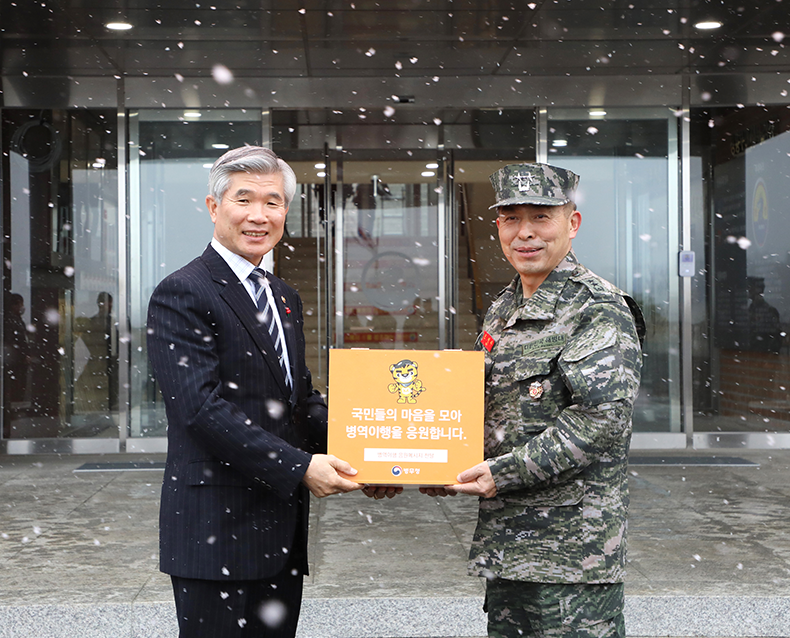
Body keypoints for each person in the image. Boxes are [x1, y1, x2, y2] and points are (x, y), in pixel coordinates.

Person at [147, 146, 362, 638]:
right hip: (217, 531)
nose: (259, 216)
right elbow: (200, 409)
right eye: (245, 200)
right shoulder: (184, 292)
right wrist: (301, 467)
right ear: (214, 206)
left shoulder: (282, 296)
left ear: (286, 211)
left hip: (279, 531)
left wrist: (370, 449)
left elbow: (299, 401)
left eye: (273, 202)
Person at [422, 163, 645, 637]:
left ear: (572, 223)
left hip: (571, 554)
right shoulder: (504, 308)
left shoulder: (597, 307)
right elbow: (490, 407)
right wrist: (431, 462)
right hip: (510, 547)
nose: (525, 232)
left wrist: (498, 473)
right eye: (511, 217)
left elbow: (598, 421)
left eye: (541, 217)